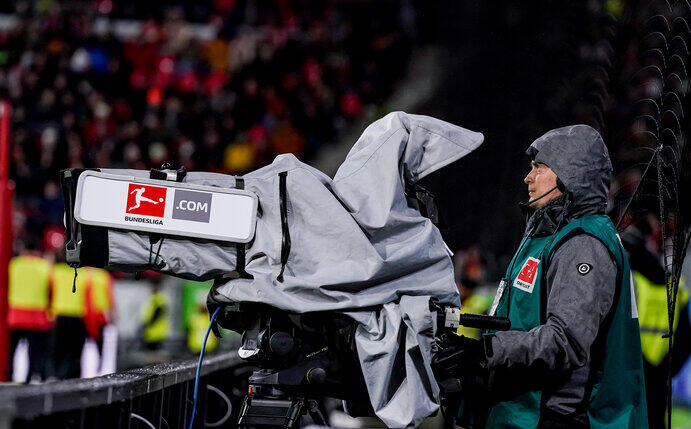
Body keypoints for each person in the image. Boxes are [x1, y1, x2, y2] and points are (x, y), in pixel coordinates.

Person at [438, 125, 647, 428]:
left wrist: (486, 352)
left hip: (557, 416)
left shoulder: (582, 244)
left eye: (539, 167)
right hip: (526, 411)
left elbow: (565, 341)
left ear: (569, 174)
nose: (528, 177)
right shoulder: (551, 233)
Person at [7, 248, 53, 382]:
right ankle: (30, 377)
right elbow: (51, 290)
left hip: (15, 314)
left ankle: (8, 376)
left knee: (10, 351)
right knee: (34, 352)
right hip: (37, 317)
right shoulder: (45, 267)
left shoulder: (13, 264)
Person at [51, 261, 89, 379]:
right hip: (78, 316)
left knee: (58, 351)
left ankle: (57, 377)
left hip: (60, 315)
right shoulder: (86, 275)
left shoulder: (55, 271)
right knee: (75, 354)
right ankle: (74, 378)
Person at [140, 280, 170, 350]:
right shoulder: (154, 298)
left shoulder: (159, 298)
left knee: (154, 351)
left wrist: (149, 323)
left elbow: (158, 311)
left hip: (156, 331)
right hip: (152, 330)